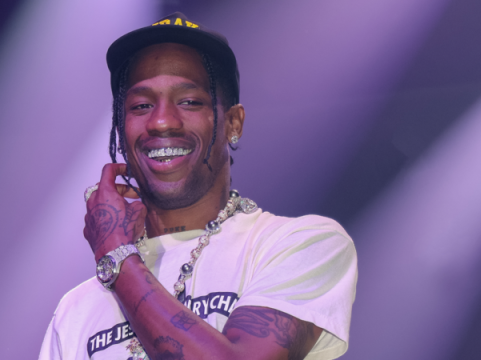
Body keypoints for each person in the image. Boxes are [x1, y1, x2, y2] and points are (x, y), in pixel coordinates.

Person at [39, 12, 357, 360]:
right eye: (141, 106)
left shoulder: (299, 245)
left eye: (189, 102)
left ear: (233, 123)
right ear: (121, 128)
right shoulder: (75, 310)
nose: (161, 121)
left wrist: (116, 255)